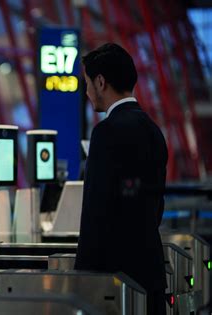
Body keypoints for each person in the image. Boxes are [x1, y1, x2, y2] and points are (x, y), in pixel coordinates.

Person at [74, 43, 168, 315]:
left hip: (116, 283)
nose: (87, 91)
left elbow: (95, 213)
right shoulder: (153, 130)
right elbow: (155, 205)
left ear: (101, 82)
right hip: (150, 273)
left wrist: (81, 281)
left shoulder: (106, 132)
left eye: (88, 83)